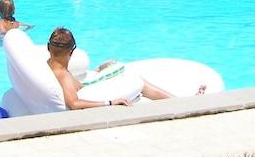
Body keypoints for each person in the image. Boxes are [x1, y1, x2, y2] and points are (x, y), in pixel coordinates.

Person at [45, 27, 174, 110]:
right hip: (91, 95)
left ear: (48, 47)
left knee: (113, 65)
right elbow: (74, 103)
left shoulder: (49, 65)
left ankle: (176, 100)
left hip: (87, 88)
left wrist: (97, 72)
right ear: (72, 51)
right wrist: (111, 103)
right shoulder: (62, 74)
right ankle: (178, 102)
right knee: (137, 80)